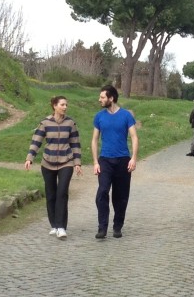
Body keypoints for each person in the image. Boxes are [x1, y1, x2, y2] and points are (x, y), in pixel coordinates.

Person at [25, 95, 82, 240]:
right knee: (51, 194)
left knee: (62, 193)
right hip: (47, 163)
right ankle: (54, 225)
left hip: (66, 162)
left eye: (66, 105)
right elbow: (36, 141)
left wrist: (77, 163)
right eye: (62, 105)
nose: (65, 107)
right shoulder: (45, 123)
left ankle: (61, 227)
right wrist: (30, 158)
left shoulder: (70, 123)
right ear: (54, 106)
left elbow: (75, 144)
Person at [91, 84, 138, 239]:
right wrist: (95, 162)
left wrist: (133, 158)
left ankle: (117, 226)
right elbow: (94, 140)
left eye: (102, 97)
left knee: (121, 196)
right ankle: (102, 227)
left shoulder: (126, 116)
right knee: (102, 192)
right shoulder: (99, 116)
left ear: (111, 98)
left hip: (123, 160)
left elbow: (134, 137)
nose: (100, 100)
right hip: (105, 160)